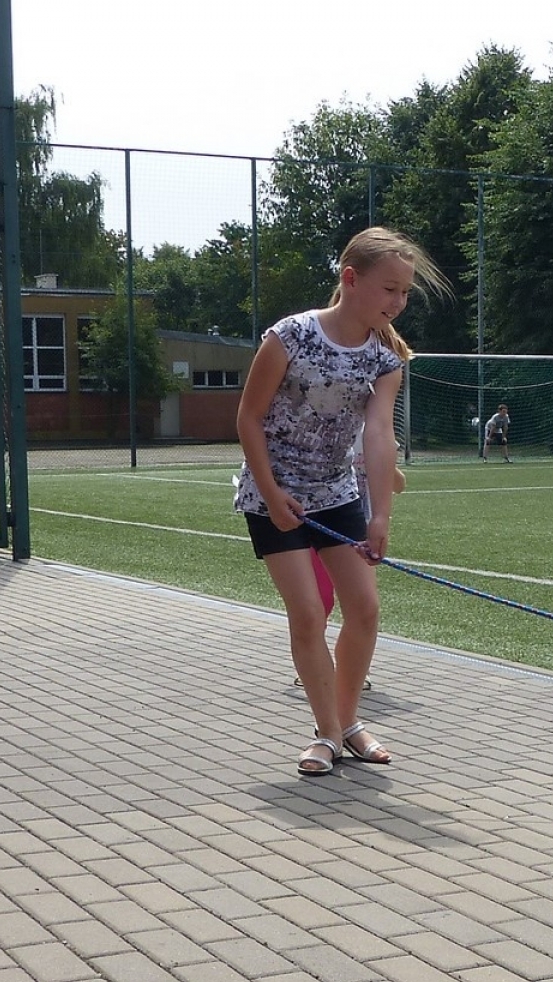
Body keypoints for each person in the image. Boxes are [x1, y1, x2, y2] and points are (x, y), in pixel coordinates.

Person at [235, 227, 447, 776]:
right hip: (272, 493)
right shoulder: (291, 337)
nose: (398, 303)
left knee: (365, 609)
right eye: (389, 289)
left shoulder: (385, 358)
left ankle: (347, 722)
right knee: (307, 612)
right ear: (350, 280)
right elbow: (248, 418)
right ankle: (325, 732)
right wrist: (273, 492)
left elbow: (378, 436)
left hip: (335, 492)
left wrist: (381, 515)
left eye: (405, 293)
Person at [297, 431, 408, 691]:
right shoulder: (330, 430)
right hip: (323, 527)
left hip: (359, 535)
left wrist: (384, 465)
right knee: (320, 602)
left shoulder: (374, 434)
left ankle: (352, 668)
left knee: (361, 607)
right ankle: (313, 665)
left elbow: (399, 485)